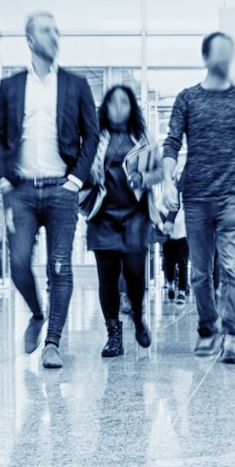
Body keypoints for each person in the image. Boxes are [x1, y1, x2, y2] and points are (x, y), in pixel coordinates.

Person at [0, 11, 99, 369]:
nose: (54, 35)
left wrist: (76, 181)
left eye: (57, 30)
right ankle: (37, 314)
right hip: (20, 189)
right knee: (18, 261)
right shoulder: (10, 87)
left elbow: (91, 135)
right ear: (30, 39)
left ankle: (52, 342)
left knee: (60, 267)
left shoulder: (76, 85)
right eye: (46, 30)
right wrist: (4, 177)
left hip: (61, 191)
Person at [162, 31, 235, 364]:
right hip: (195, 197)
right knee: (199, 272)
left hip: (234, 197)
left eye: (228, 55)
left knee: (231, 269)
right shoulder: (187, 98)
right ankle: (209, 328)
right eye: (219, 55)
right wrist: (167, 181)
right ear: (206, 58)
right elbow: (171, 143)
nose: (223, 61)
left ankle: (233, 334)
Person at [81, 85, 163, 358]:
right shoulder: (96, 137)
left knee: (135, 273)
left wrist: (143, 178)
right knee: (107, 277)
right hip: (103, 215)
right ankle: (113, 335)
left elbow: (159, 171)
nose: (118, 107)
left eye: (124, 102)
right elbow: (83, 169)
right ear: (104, 107)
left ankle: (138, 317)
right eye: (113, 102)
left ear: (132, 107)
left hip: (135, 215)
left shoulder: (141, 136)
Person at [161, 177, 189, 306]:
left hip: (183, 236)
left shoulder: (187, 195)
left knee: (183, 264)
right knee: (169, 263)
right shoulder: (166, 194)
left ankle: (182, 291)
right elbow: (159, 209)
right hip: (168, 236)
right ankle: (171, 284)